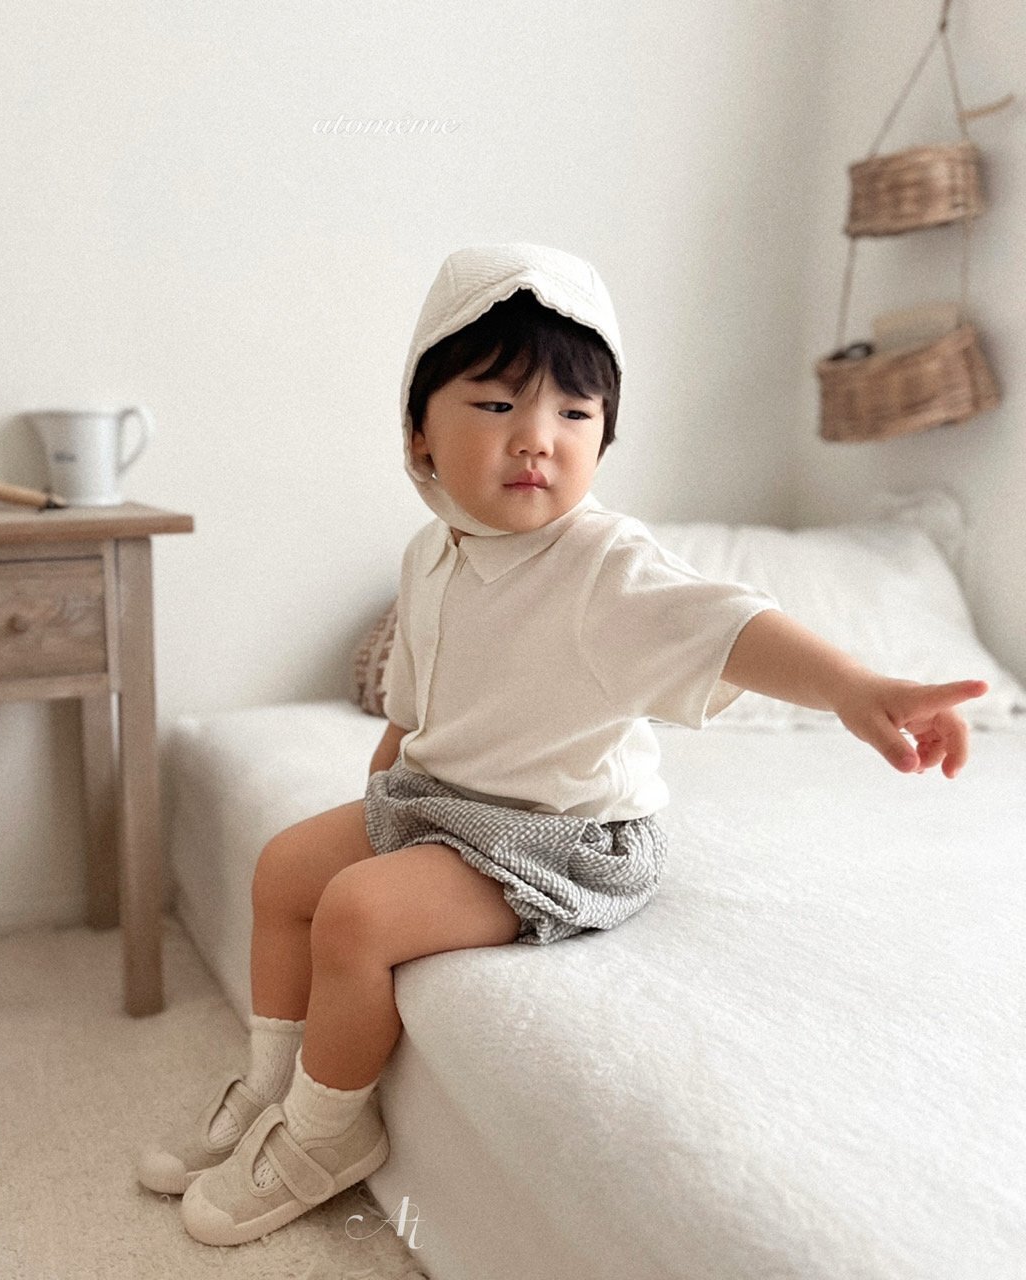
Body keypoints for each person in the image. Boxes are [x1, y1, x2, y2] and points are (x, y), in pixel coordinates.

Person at [139, 242, 988, 1247]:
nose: (536, 439)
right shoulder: (428, 553)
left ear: (602, 437)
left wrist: (853, 687)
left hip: (565, 836)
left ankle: (328, 1132)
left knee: (359, 913)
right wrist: (384, 792)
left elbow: (730, 624)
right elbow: (410, 709)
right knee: (287, 867)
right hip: (442, 801)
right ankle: (275, 1086)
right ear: (418, 430)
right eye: (497, 404)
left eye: (574, 414)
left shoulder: (602, 565)